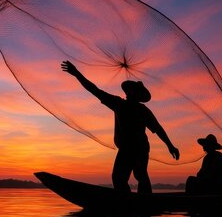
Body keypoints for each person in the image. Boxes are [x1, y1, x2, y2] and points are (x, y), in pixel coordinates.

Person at [61, 60, 179, 194]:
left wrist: (170, 146)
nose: (128, 92)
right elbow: (94, 90)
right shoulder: (119, 104)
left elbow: (158, 128)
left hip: (139, 147)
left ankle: (143, 203)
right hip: (127, 148)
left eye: (132, 91)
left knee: (138, 175)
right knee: (120, 178)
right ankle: (130, 203)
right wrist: (77, 74)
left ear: (135, 94)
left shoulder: (138, 109)